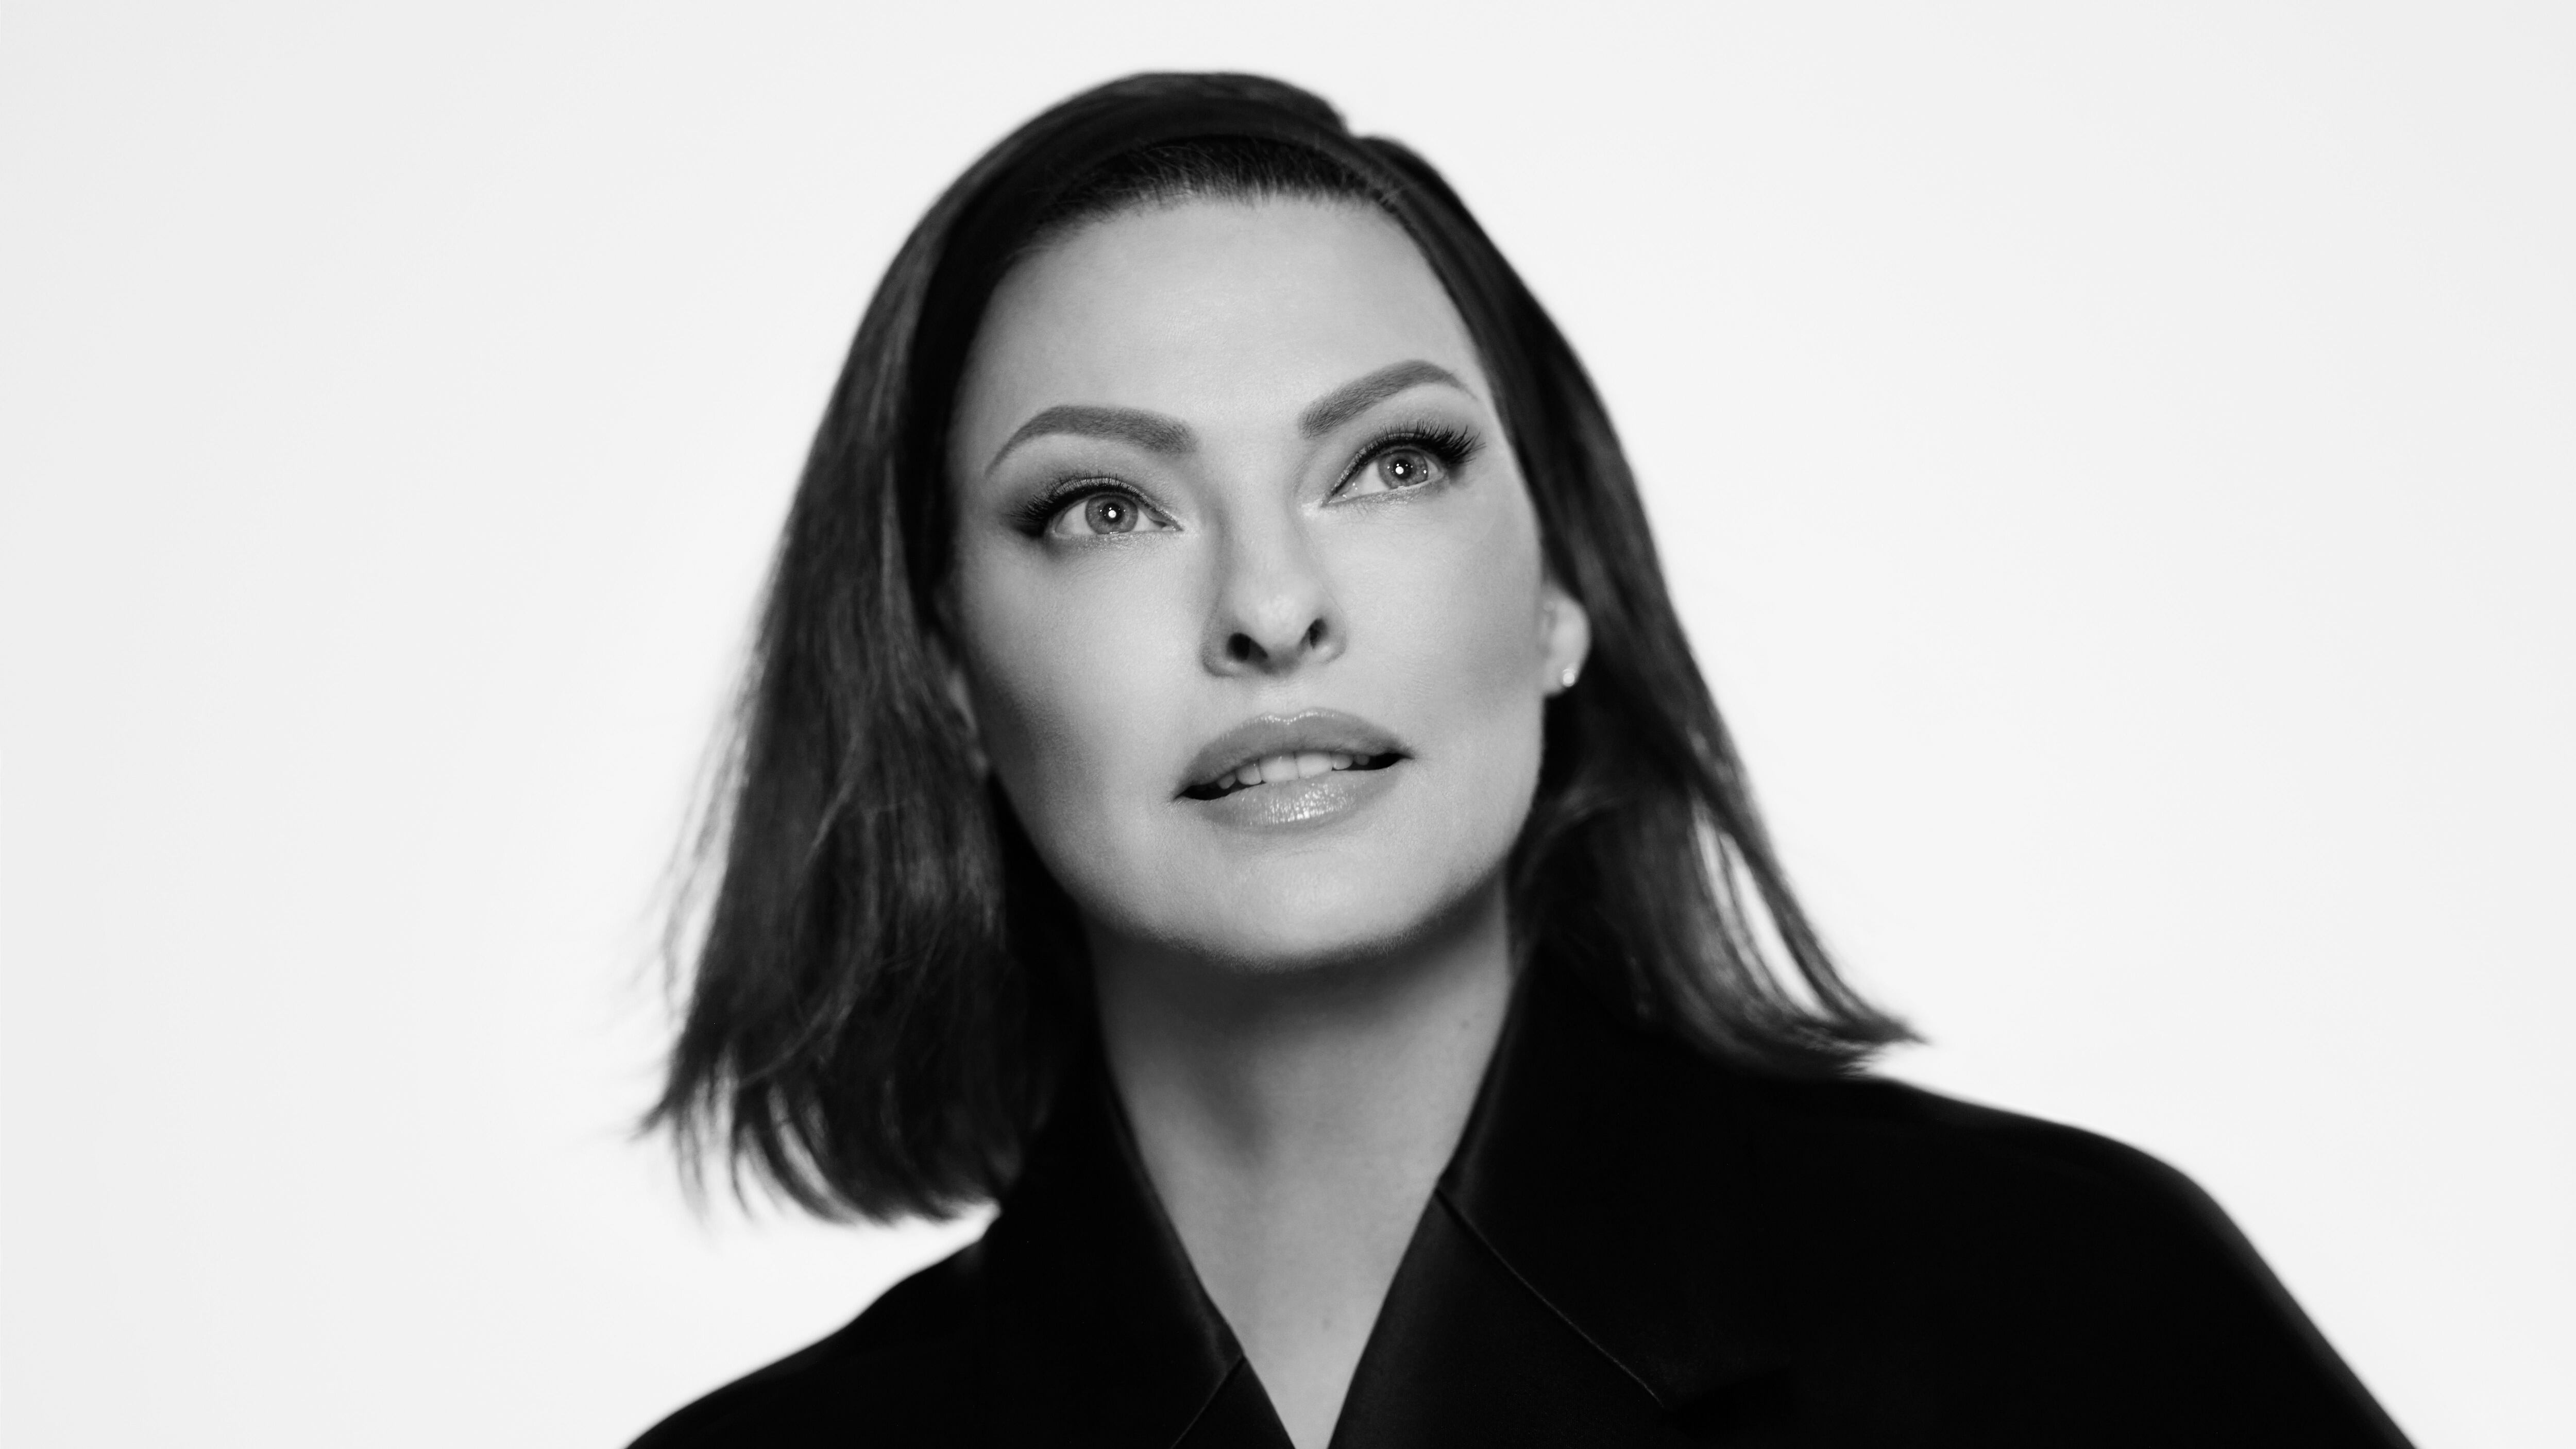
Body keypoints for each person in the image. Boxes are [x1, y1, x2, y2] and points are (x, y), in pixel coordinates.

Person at [632, 73, 2408, 1448]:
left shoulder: (2069, 1319)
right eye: (1105, 506)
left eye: (1389, 465)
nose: (1271, 606)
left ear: (1562, 594)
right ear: (943, 672)